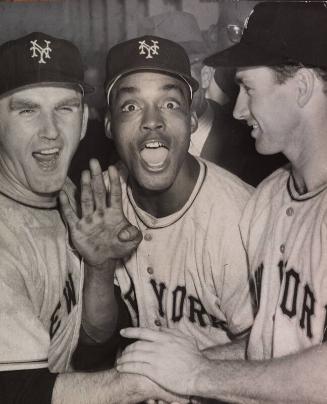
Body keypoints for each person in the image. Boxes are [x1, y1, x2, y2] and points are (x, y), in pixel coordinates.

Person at [116, 3, 327, 403]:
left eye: (247, 88)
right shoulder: (268, 197)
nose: (237, 108)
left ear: (300, 86)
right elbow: (268, 349)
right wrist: (171, 370)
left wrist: (200, 375)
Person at [0, 31, 187, 404]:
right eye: (27, 110)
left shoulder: (68, 192)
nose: (50, 131)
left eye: (65, 108)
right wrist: (155, 381)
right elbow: (17, 392)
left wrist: (100, 267)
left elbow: (90, 348)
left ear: (84, 120)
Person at [103, 34, 254, 358]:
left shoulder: (239, 219)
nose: (152, 121)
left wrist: (172, 375)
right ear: (108, 125)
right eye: (131, 106)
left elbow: (265, 348)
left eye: (170, 104)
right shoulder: (100, 199)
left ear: (192, 118)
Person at [138, 10, 286, 187]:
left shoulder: (252, 144)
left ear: (206, 75)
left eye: (177, 77)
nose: (165, 95)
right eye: (152, 83)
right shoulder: (135, 145)